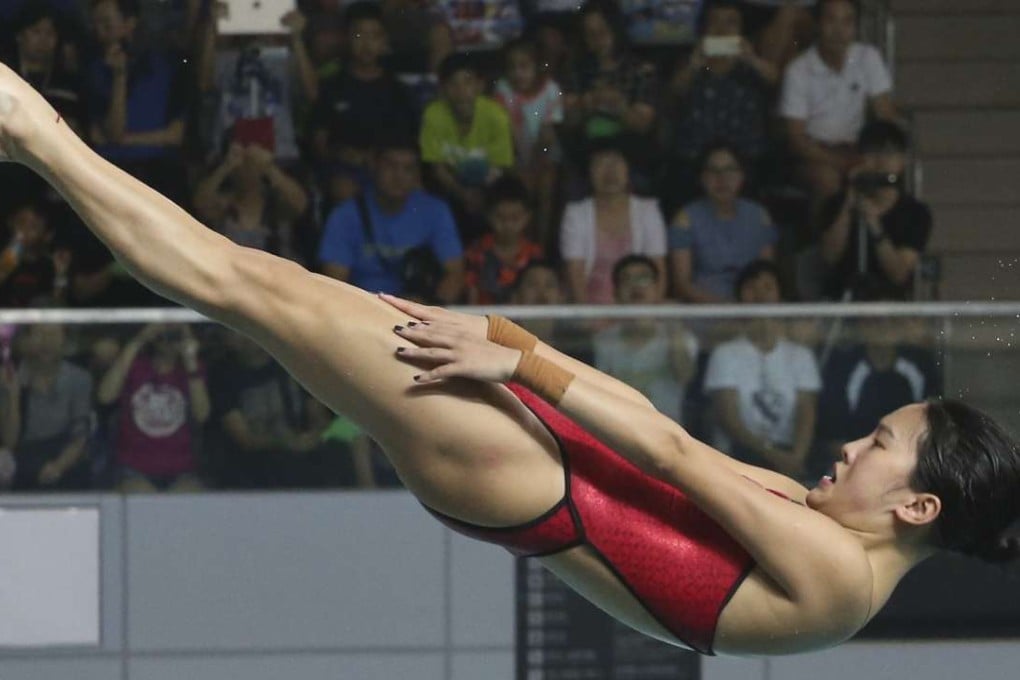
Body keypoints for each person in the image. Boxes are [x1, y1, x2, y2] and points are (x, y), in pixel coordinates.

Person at [2, 64, 1019, 657]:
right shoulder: (829, 539)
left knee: (240, 280)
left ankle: (30, 132)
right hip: (544, 463)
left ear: (918, 505)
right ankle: (35, 142)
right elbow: (661, 452)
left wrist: (515, 353)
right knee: (250, 287)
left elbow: (667, 448)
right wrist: (519, 356)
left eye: (883, 441)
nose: (854, 441)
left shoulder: (839, 577)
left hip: (529, 474)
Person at [207, 329, 367, 489]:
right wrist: (285, 442)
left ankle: (366, 494)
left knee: (342, 442)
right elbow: (243, 438)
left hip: (304, 445)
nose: (245, 336)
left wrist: (311, 437)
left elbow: (317, 414)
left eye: (244, 328)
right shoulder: (222, 374)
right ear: (226, 339)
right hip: (260, 457)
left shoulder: (288, 362)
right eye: (234, 331)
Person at [704, 261, 821, 477]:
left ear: (780, 297)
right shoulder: (725, 354)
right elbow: (729, 419)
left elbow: (807, 412)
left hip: (789, 455)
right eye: (751, 288)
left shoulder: (800, 355)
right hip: (738, 458)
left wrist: (796, 458)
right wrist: (773, 455)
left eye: (768, 287)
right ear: (739, 299)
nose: (760, 294)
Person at [779, 0, 898, 210]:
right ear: (818, 25)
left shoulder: (867, 57)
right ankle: (828, 242)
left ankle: (881, 240)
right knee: (828, 183)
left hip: (859, 149)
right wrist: (841, 162)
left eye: (847, 21)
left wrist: (872, 156)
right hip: (814, 154)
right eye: (831, 20)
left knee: (888, 175)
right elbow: (796, 140)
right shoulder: (798, 70)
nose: (839, 30)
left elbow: (885, 115)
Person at [318, 136, 465, 304]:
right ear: (374, 166)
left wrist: (428, 309)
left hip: (417, 314)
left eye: (408, 168)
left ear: (417, 174)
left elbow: (455, 274)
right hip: (362, 313)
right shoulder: (344, 216)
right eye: (391, 166)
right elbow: (334, 286)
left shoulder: (436, 211)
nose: (399, 176)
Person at [664, 0, 777, 205]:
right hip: (695, 158)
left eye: (731, 23)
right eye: (715, 22)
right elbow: (674, 91)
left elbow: (775, 80)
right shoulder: (692, 64)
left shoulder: (750, 66)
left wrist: (751, 59)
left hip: (744, 158)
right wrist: (694, 64)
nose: (722, 30)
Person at [85, 0, 190, 200]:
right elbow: (108, 133)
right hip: (111, 169)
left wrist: (126, 140)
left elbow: (175, 135)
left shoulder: (168, 66)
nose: (100, 31)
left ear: (130, 23)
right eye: (96, 24)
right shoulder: (93, 71)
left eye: (106, 24)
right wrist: (119, 78)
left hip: (159, 170)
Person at [817, 121, 933, 300]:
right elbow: (829, 257)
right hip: (841, 301)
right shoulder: (838, 203)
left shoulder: (915, 213)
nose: (881, 161)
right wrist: (849, 202)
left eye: (890, 153)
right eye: (872, 152)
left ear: (903, 160)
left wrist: (874, 225)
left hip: (889, 306)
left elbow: (899, 274)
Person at [96, 323, 209, 492]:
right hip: (133, 468)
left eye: (174, 337)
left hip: (182, 469)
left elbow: (202, 414)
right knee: (142, 500)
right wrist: (139, 341)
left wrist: (190, 356)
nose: (168, 342)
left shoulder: (191, 370)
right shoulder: (135, 366)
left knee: (189, 502)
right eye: (163, 336)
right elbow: (105, 396)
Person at [593, 255, 698, 425]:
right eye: (627, 279)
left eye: (643, 278)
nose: (635, 285)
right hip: (619, 428)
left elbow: (684, 375)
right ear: (615, 293)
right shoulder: (602, 341)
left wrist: (674, 328)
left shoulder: (682, 336)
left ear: (657, 289)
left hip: (669, 429)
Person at [560, 138, 667, 304]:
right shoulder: (576, 214)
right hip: (592, 310)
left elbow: (658, 271)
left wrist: (650, 317)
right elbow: (575, 276)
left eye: (616, 163)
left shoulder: (648, 210)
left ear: (628, 170)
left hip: (638, 309)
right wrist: (586, 321)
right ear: (589, 172)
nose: (610, 171)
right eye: (601, 164)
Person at [420, 52, 514, 239]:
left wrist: (478, 195)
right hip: (449, 187)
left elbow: (499, 166)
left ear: (480, 85)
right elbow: (436, 168)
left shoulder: (496, 116)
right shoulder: (433, 115)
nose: (461, 90)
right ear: (443, 88)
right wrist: (462, 194)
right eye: (453, 84)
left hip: (487, 187)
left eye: (468, 82)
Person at [669, 143, 778, 303]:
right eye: (713, 171)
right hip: (705, 307)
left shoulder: (759, 215)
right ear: (702, 177)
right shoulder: (685, 219)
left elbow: (768, 276)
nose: (722, 178)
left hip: (754, 305)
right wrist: (725, 308)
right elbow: (682, 285)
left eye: (730, 170)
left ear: (742, 175)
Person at [0, 323, 94, 492]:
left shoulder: (79, 378)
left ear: (65, 339)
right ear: (26, 339)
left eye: (54, 334)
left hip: (64, 454)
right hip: (23, 455)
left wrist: (58, 466)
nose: (47, 342)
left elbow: (81, 435)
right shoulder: (10, 375)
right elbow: (9, 442)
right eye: (40, 334)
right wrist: (13, 394)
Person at [493, 38, 563, 245]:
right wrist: (521, 166)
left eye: (524, 66)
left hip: (544, 149)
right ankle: (522, 242)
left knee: (546, 187)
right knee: (523, 190)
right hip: (513, 149)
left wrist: (536, 163)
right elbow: (509, 132)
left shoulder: (551, 89)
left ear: (537, 66)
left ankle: (540, 244)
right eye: (512, 67)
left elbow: (547, 134)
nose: (517, 73)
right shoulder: (503, 89)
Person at [192, 142, 309, 262]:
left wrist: (269, 168)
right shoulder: (224, 206)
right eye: (243, 165)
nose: (247, 169)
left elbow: (300, 203)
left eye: (252, 164)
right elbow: (200, 204)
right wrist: (226, 166)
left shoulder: (276, 206)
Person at [463, 176, 544, 305]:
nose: (508, 225)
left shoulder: (537, 255)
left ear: (528, 216)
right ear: (489, 215)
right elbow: (471, 297)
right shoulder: (475, 253)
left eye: (515, 218)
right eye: (500, 218)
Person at [0, 197, 72, 307]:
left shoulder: (51, 264)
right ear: (10, 222)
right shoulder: (5, 257)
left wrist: (61, 274)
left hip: (37, 322)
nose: (24, 230)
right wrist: (10, 257)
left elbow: (57, 307)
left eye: (33, 226)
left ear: (47, 236)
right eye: (21, 222)